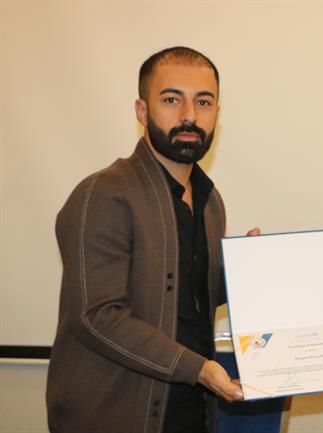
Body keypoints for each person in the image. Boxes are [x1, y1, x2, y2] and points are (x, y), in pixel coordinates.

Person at [46, 46, 244, 433]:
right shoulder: (104, 194)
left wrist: (251, 273)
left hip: (193, 413)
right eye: (171, 100)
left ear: (216, 114)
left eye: (203, 102)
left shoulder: (210, 201)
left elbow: (188, 297)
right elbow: (98, 317)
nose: (190, 115)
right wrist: (199, 369)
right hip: (116, 416)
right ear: (141, 111)